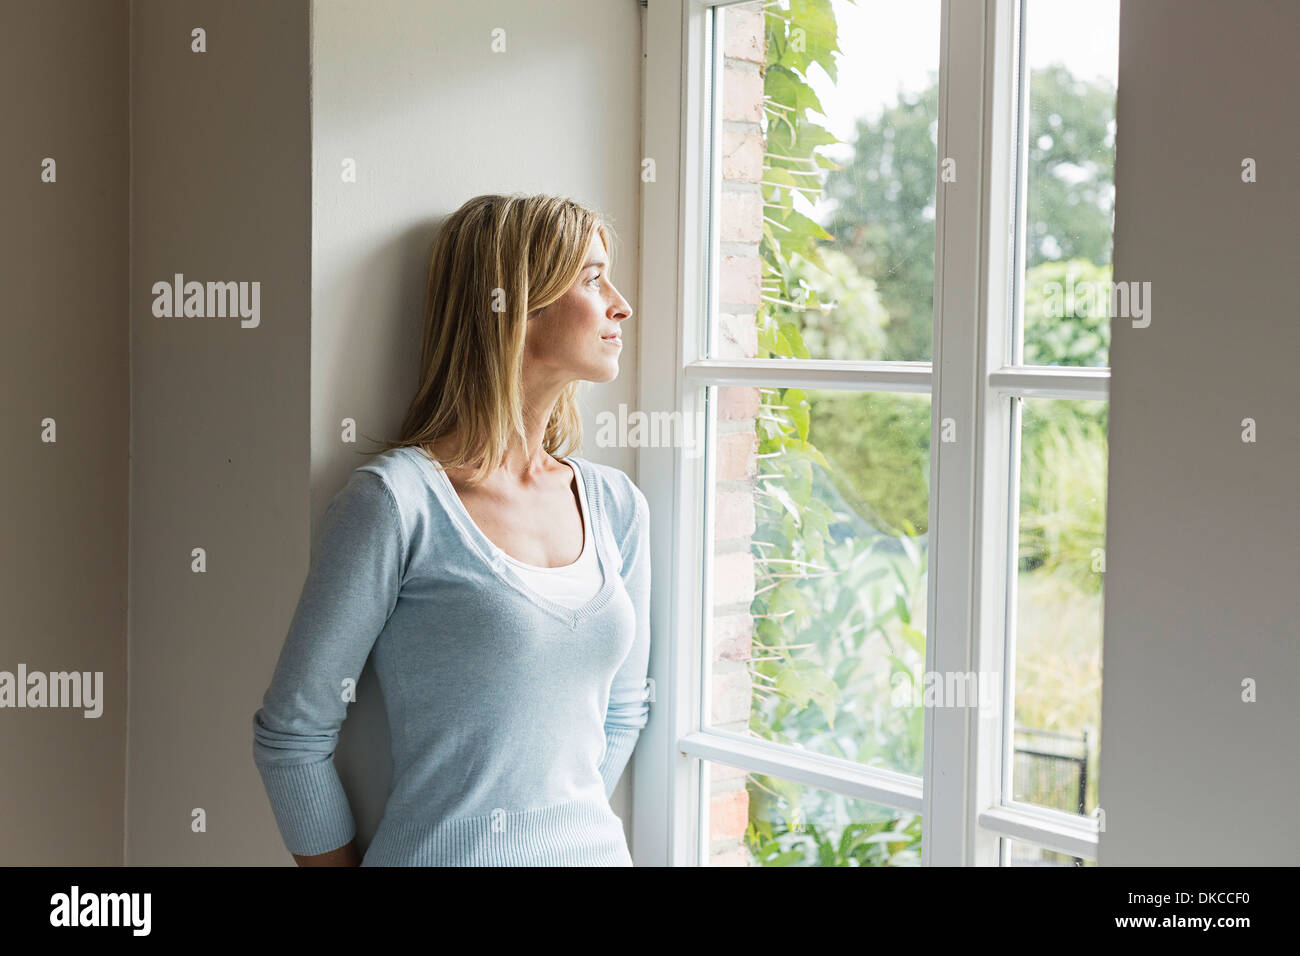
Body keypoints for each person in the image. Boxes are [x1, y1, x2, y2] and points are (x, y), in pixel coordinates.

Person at [251, 194, 651, 866]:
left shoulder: (616, 504)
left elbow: (624, 711)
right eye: (590, 277)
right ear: (517, 304)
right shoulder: (397, 503)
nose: (620, 304)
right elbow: (291, 739)